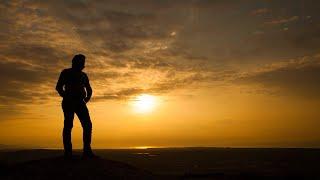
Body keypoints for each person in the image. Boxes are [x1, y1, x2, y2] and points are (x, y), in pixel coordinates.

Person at [56, 54, 96, 158]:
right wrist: (66, 96)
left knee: (87, 125)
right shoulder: (66, 72)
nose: (83, 64)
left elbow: (89, 88)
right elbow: (59, 87)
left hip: (80, 102)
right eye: (81, 62)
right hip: (69, 102)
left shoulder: (84, 75)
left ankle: (87, 151)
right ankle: (68, 152)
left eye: (83, 62)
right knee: (68, 126)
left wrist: (87, 98)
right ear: (75, 62)